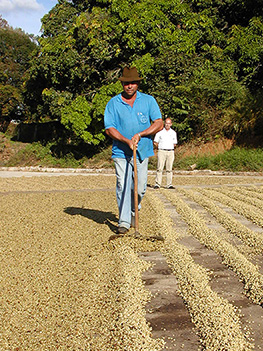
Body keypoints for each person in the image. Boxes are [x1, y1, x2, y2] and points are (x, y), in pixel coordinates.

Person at [104, 66, 163, 234]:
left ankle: (133, 212)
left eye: (133, 83)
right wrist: (126, 140)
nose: (129, 86)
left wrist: (141, 134)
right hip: (121, 151)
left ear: (137, 84)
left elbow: (158, 123)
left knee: (140, 187)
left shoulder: (148, 101)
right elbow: (110, 128)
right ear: (122, 85)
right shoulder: (114, 103)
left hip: (142, 150)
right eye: (126, 83)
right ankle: (123, 222)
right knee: (123, 184)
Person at [153, 117, 177, 189]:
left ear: (171, 124)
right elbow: (155, 142)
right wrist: (160, 147)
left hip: (170, 151)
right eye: (166, 123)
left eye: (169, 123)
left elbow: (174, 143)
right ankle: (157, 184)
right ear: (164, 123)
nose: (167, 125)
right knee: (159, 168)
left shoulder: (173, 133)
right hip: (162, 151)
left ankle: (169, 184)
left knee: (169, 168)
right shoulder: (159, 133)